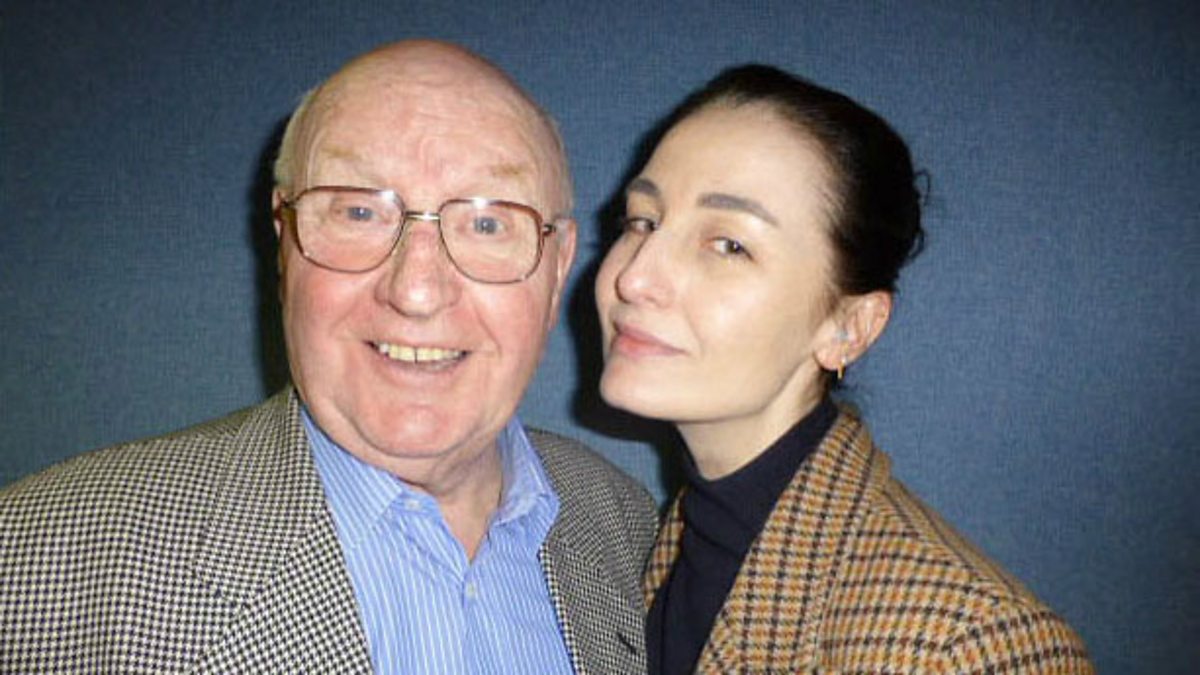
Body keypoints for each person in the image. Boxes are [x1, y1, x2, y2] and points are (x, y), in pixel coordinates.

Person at [1, 40, 658, 674]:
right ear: (284, 241)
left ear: (558, 267)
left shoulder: (630, 528)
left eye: (487, 223)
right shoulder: (37, 561)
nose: (417, 291)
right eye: (358, 212)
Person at [594, 64, 1094, 673]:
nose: (635, 276)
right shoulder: (657, 542)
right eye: (642, 221)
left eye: (729, 244)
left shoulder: (970, 647)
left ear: (848, 328)